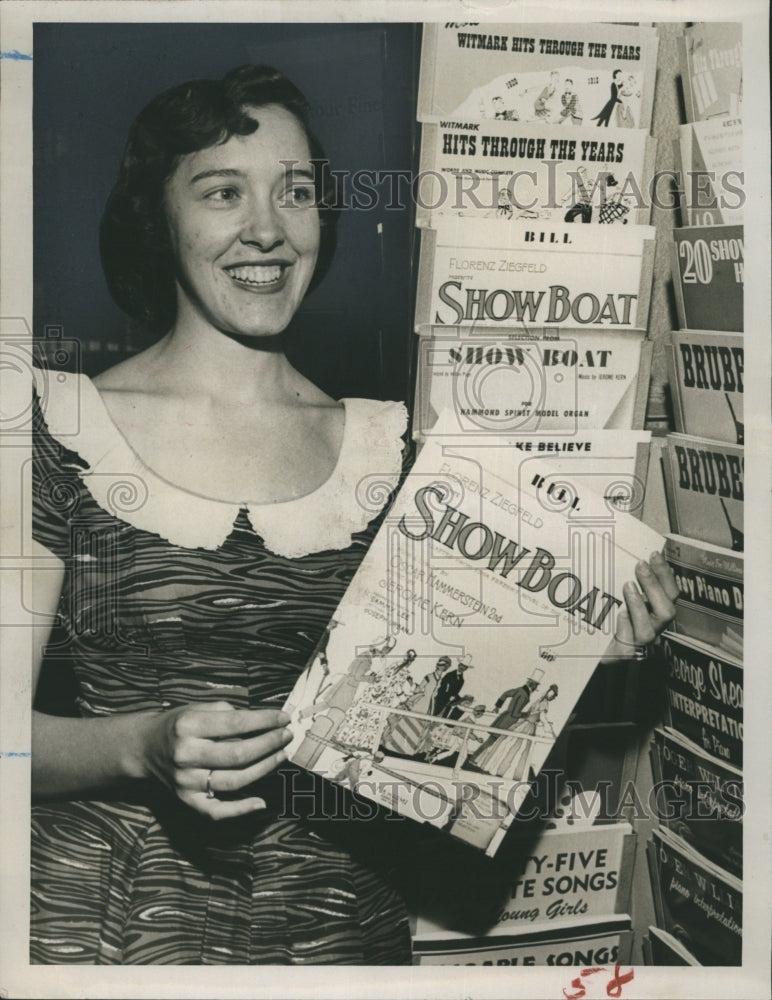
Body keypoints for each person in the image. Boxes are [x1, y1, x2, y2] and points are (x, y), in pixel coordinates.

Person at [29, 63, 680, 967]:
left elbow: (428, 739)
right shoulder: (55, 432)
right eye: (223, 192)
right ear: (157, 216)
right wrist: (139, 745)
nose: (266, 229)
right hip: (101, 934)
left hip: (335, 939)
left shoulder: (396, 452)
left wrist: (569, 644)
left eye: (296, 193)